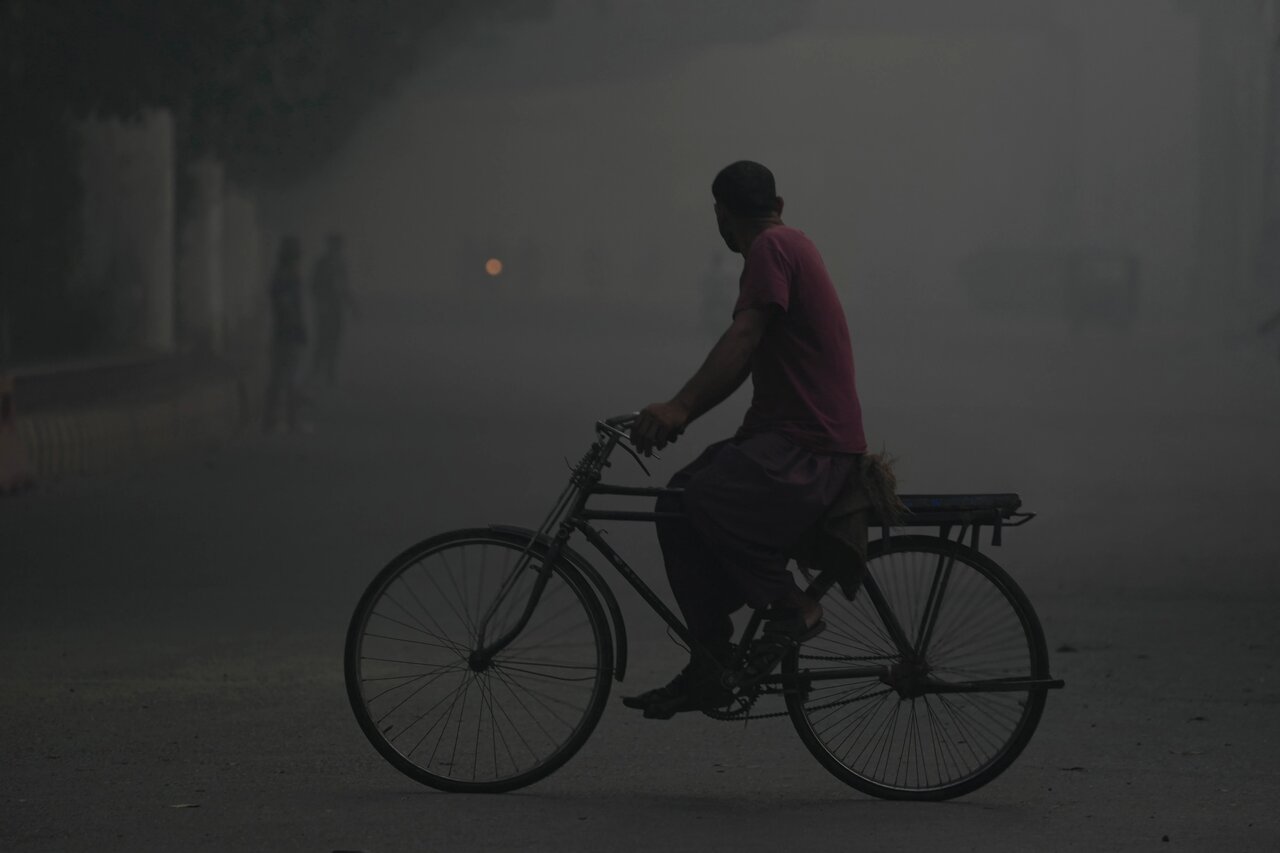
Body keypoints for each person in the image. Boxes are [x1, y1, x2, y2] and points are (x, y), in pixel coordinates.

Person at [622, 161, 868, 719]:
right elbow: (746, 354)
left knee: (708, 497)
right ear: (779, 201)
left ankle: (793, 605)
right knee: (678, 503)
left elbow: (744, 334)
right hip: (791, 440)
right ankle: (710, 658)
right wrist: (684, 412)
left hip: (811, 446)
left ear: (721, 215)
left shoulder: (770, 249)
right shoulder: (787, 243)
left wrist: (680, 405)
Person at [263, 236, 308, 432]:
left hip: (281, 332)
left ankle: (273, 419)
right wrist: (297, 327)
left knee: (279, 377)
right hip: (288, 333)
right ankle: (292, 421)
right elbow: (287, 306)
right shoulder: (288, 277)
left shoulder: (281, 275)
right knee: (291, 378)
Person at [310, 233, 356, 386]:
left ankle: (330, 373)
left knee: (334, 341)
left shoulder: (340, 264)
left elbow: (344, 287)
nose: (338, 249)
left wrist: (352, 306)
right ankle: (317, 372)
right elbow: (314, 287)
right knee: (323, 341)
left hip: (336, 308)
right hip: (325, 308)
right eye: (336, 245)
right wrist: (321, 303)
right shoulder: (322, 264)